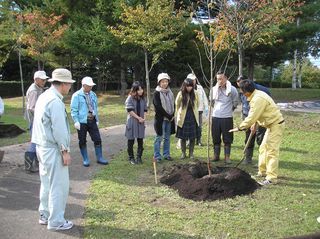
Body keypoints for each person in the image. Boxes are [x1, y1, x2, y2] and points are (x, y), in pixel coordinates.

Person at [32, 68, 75, 230]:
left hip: (41, 146)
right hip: (52, 148)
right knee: (59, 185)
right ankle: (56, 221)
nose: (70, 87)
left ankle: (44, 214)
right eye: (69, 84)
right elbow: (59, 129)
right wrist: (65, 151)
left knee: (46, 182)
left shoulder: (44, 96)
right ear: (63, 84)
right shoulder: (55, 102)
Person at [229, 79, 285, 185]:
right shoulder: (255, 95)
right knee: (263, 148)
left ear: (246, 92)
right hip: (269, 125)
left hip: (276, 125)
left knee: (271, 151)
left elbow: (252, 116)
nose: (242, 94)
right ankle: (262, 172)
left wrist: (240, 127)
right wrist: (255, 125)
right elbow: (259, 114)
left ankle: (271, 178)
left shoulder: (258, 98)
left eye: (242, 92)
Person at [70, 76, 109, 167]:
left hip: (92, 120)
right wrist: (76, 121)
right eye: (89, 86)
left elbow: (95, 107)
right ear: (83, 85)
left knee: (97, 139)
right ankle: (86, 159)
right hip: (82, 122)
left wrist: (97, 119)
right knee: (82, 140)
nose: (91, 87)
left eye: (91, 86)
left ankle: (99, 158)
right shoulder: (76, 95)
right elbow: (74, 110)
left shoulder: (93, 94)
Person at [236, 76, 271, 164]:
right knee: (248, 137)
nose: (241, 91)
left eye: (242, 87)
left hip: (261, 118)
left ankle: (262, 160)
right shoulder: (242, 91)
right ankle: (248, 158)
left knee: (261, 139)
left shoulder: (262, 91)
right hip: (247, 116)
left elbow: (259, 109)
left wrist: (254, 122)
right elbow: (245, 104)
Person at [210, 71, 238, 164]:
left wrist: (228, 110)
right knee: (215, 137)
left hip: (227, 117)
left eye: (221, 78)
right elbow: (211, 102)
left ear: (226, 78)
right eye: (218, 79)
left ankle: (227, 157)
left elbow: (235, 103)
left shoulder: (233, 90)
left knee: (227, 138)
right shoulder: (213, 90)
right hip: (216, 117)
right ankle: (216, 156)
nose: (219, 81)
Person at [24, 70, 49, 173]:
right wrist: (43, 115)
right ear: (36, 80)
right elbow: (31, 108)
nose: (44, 81)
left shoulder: (39, 88)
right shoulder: (34, 90)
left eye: (45, 79)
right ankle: (29, 166)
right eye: (42, 79)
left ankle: (36, 164)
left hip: (36, 119)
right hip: (34, 120)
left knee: (38, 141)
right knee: (35, 141)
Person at [153, 73, 175, 162]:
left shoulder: (170, 92)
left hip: (169, 119)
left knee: (167, 137)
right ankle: (157, 156)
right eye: (163, 82)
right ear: (159, 82)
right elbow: (158, 107)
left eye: (166, 81)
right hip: (161, 119)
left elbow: (174, 104)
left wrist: (172, 115)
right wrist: (168, 115)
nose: (165, 83)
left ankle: (166, 154)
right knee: (159, 137)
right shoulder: (156, 93)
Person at [175, 78, 199, 159]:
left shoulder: (195, 93)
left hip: (192, 117)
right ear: (184, 86)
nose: (189, 88)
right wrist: (179, 114)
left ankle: (191, 153)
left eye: (191, 86)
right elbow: (177, 105)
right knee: (183, 137)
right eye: (187, 86)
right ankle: (183, 153)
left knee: (192, 137)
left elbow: (197, 104)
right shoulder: (180, 94)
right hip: (183, 118)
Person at [125, 81, 147, 164]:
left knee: (140, 140)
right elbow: (129, 110)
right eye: (139, 90)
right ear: (134, 90)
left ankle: (139, 157)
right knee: (130, 140)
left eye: (142, 89)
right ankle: (131, 158)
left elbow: (145, 109)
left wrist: (144, 119)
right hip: (132, 122)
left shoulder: (143, 98)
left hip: (140, 122)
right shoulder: (130, 98)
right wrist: (138, 118)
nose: (141, 91)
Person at [188, 73, 209, 146]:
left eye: (194, 80)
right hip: (190, 110)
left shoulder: (200, 87)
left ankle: (199, 140)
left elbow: (204, 98)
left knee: (199, 126)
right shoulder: (187, 88)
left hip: (199, 110)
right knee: (190, 125)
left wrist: (206, 107)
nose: (193, 81)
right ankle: (190, 140)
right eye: (191, 80)